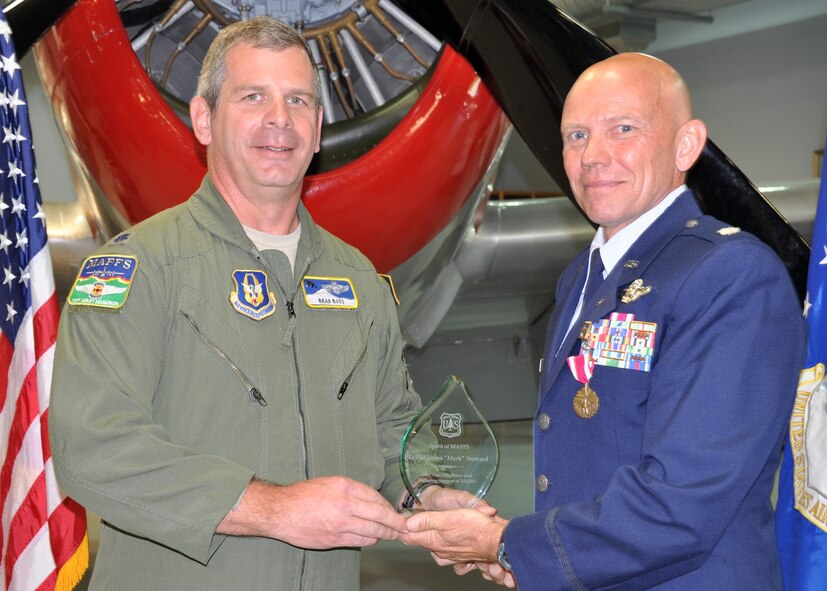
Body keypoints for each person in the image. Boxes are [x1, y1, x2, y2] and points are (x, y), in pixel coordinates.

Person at [48, 16, 479, 590]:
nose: (280, 119)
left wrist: (427, 494)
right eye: (254, 96)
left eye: (298, 100)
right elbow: (93, 449)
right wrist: (276, 510)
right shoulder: (139, 269)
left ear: (319, 127)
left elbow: (388, 430)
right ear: (204, 118)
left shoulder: (360, 281)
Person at [400, 52, 806, 590]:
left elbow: (680, 503)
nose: (593, 156)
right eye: (575, 136)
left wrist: (507, 545)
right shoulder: (581, 278)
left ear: (687, 145)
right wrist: (527, 557)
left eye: (623, 128)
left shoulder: (731, 275)